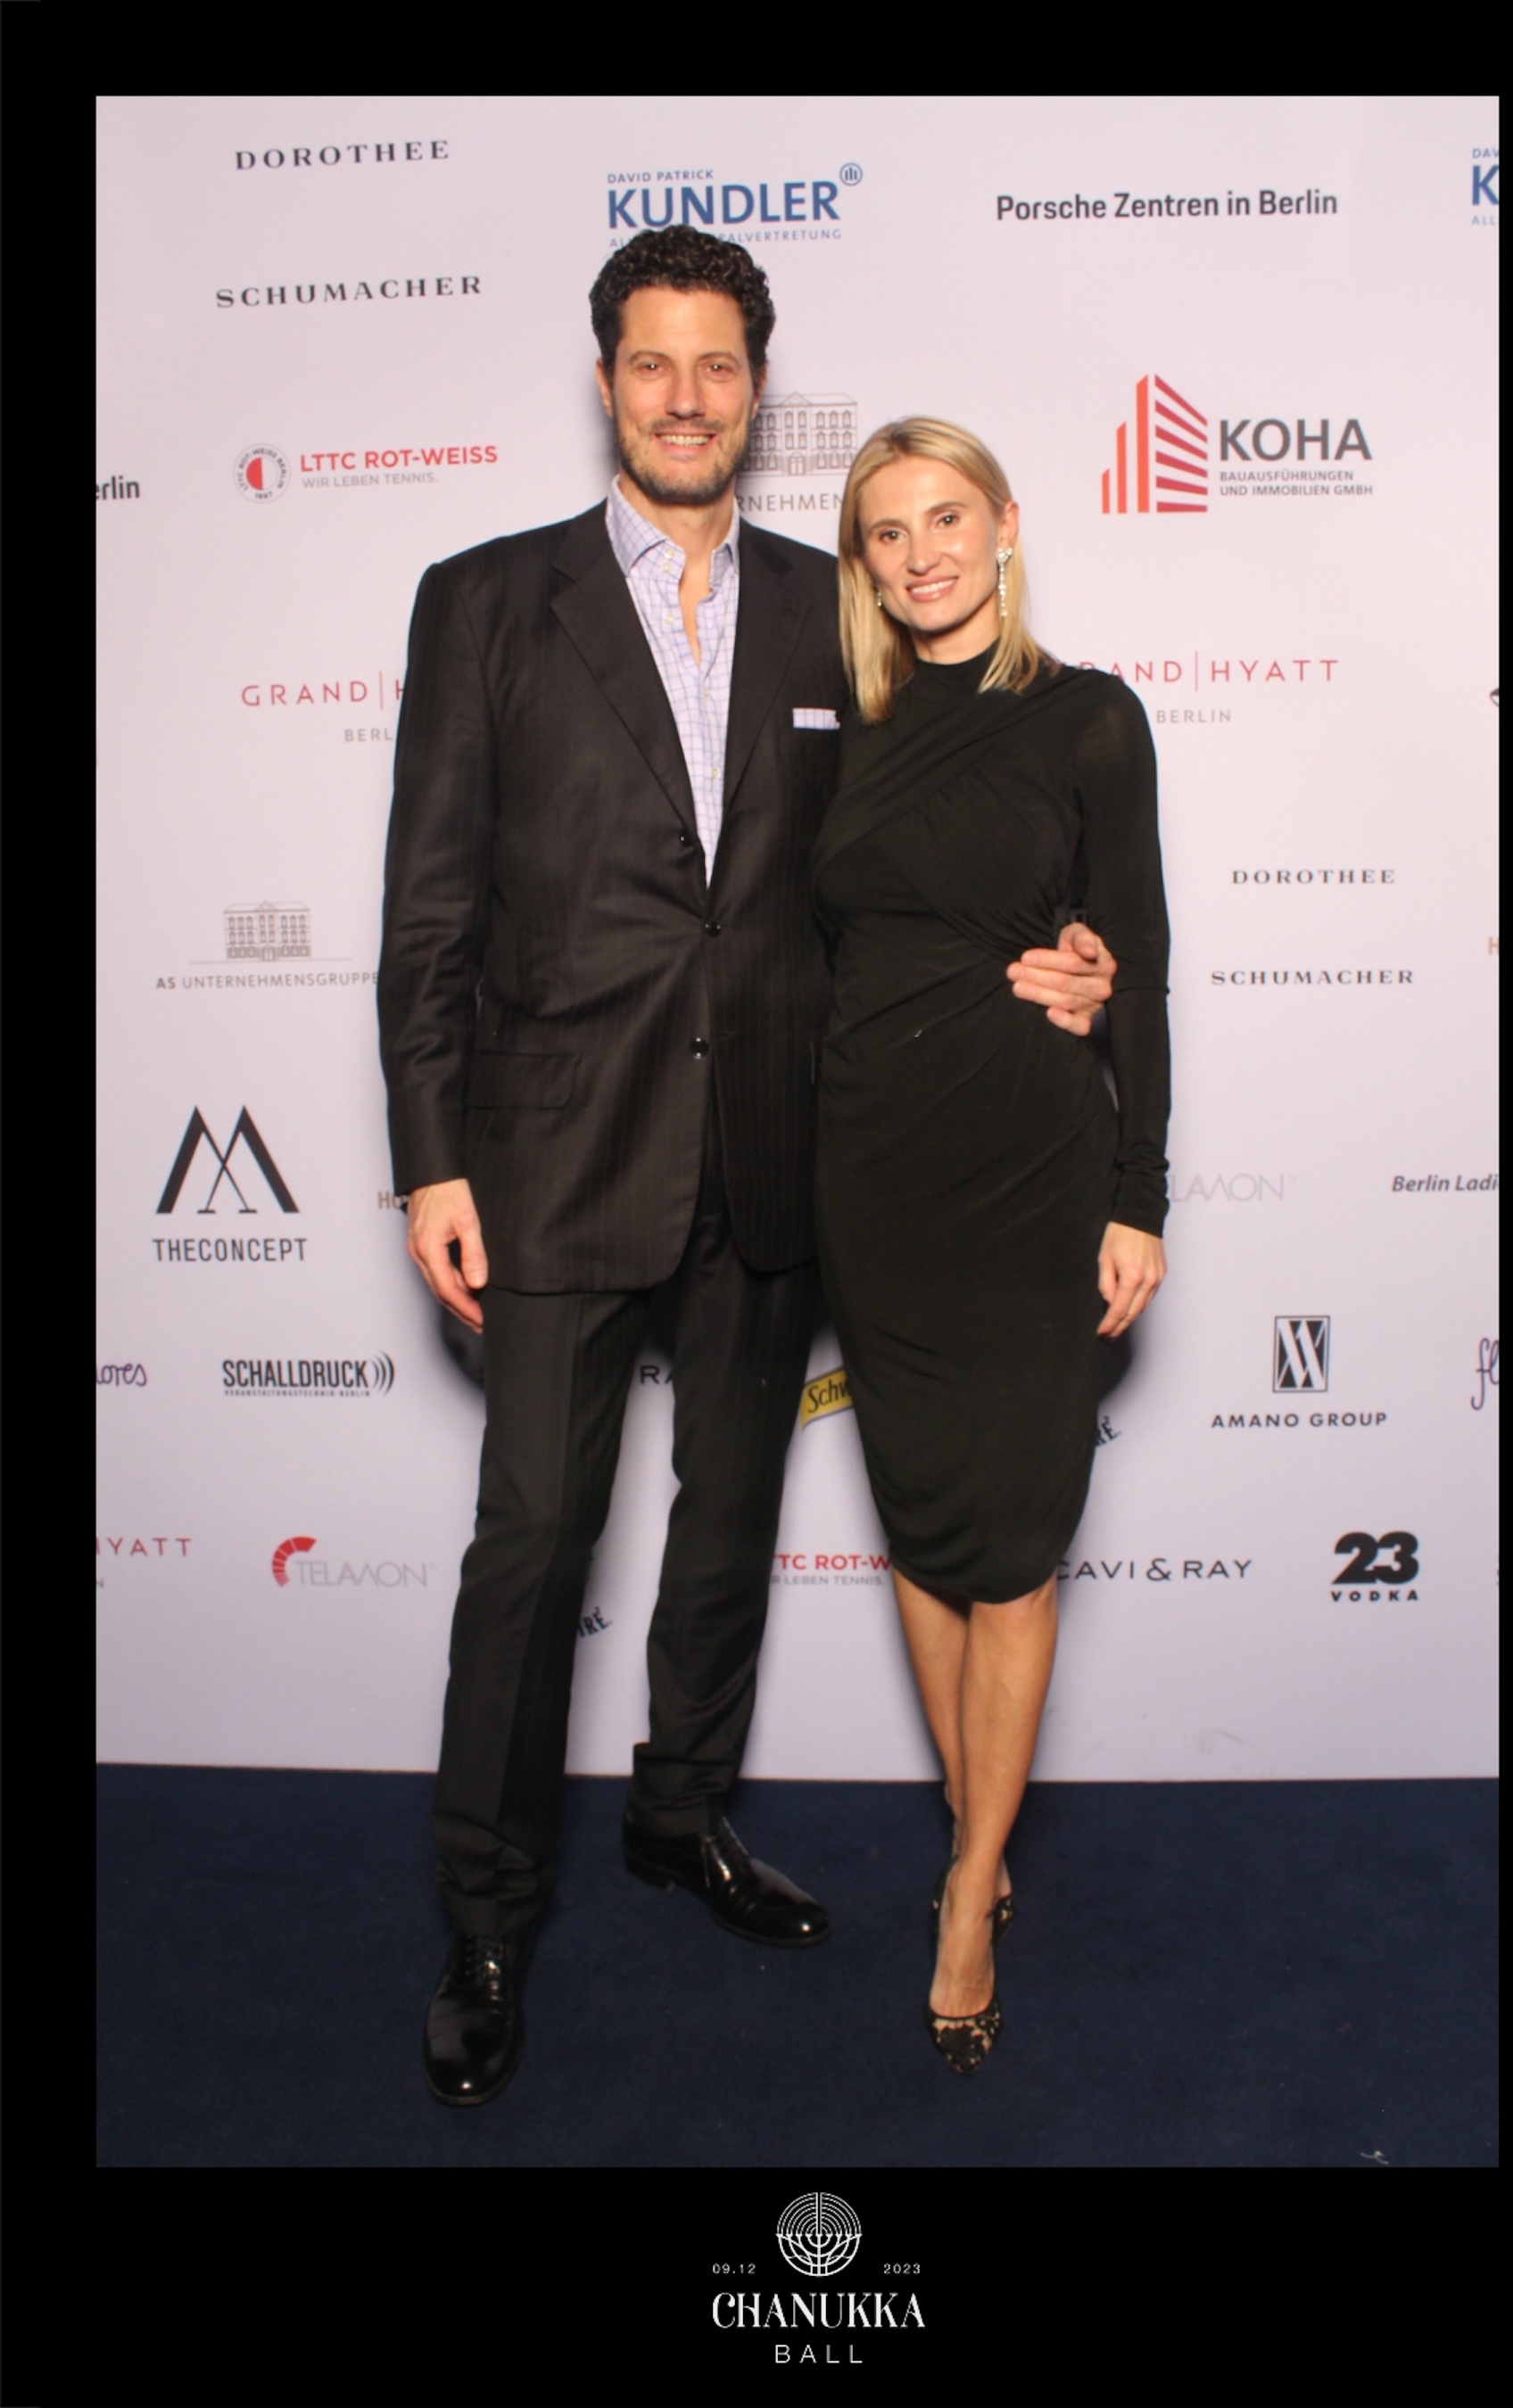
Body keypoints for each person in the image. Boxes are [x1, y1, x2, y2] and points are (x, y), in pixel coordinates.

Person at [378, 234, 1117, 2107]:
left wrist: (1074, 954)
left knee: (725, 1529)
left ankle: (680, 1814)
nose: (686, 397)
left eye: (718, 366)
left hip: (786, 1150)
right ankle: (486, 1915)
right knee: (534, 1545)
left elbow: (945, 837)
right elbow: (429, 909)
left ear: (758, 388)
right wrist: (428, 1159)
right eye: (653, 363)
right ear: (606, 381)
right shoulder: (486, 601)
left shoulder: (832, 610)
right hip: (555, 1152)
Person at [813, 418, 1170, 2073]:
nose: (924, 554)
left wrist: (1138, 1191)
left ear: (1008, 526)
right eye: (888, 533)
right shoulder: (844, 730)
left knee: (1013, 1548)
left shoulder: (1090, 717)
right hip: (872, 1174)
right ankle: (981, 1831)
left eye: (948, 518)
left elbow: (1137, 964)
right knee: (921, 1532)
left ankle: (968, 1891)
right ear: (865, 564)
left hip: (1031, 1171)